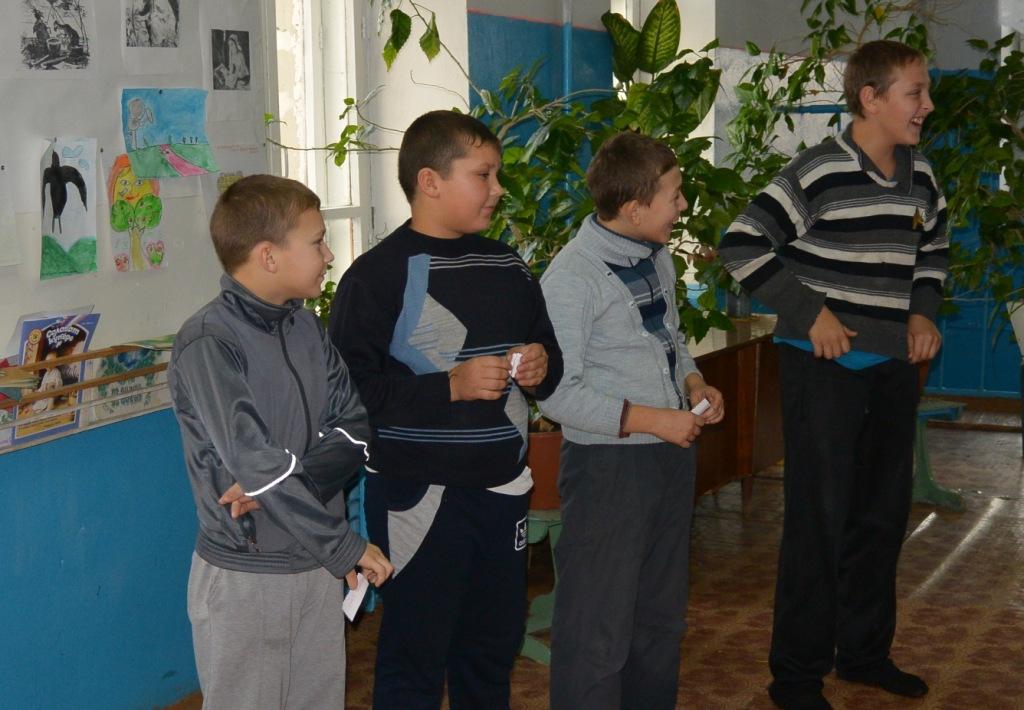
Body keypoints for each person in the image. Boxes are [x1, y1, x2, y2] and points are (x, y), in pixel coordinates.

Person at [718, 39, 948, 710]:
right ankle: (795, 677)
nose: (927, 105)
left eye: (926, 91)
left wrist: (922, 312)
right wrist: (810, 312)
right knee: (817, 524)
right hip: (823, 372)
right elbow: (741, 243)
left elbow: (932, 250)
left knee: (881, 518)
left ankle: (865, 655)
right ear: (870, 98)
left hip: (891, 372)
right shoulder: (818, 170)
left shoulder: (922, 175)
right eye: (915, 92)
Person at [328, 109, 563, 709]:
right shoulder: (376, 277)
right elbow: (351, 397)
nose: (498, 188)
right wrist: (448, 388)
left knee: (490, 652)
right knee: (415, 656)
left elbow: (549, 357)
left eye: (497, 174)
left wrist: (541, 366)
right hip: (418, 497)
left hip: (502, 492)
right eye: (483, 175)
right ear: (429, 182)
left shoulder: (508, 266)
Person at [167, 174, 393, 710]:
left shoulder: (307, 328)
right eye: (317, 242)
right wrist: (343, 545)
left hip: (314, 563)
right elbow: (257, 460)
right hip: (249, 576)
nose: (329, 255)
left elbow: (355, 429)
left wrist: (292, 485)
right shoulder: (208, 342)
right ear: (268, 256)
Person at [537, 131, 725, 710]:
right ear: (634, 207)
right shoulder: (571, 279)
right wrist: (653, 420)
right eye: (673, 195)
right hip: (608, 470)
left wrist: (693, 384)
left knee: (659, 621)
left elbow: (671, 342)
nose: (683, 205)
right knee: (597, 629)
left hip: (667, 460)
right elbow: (555, 395)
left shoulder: (655, 256)